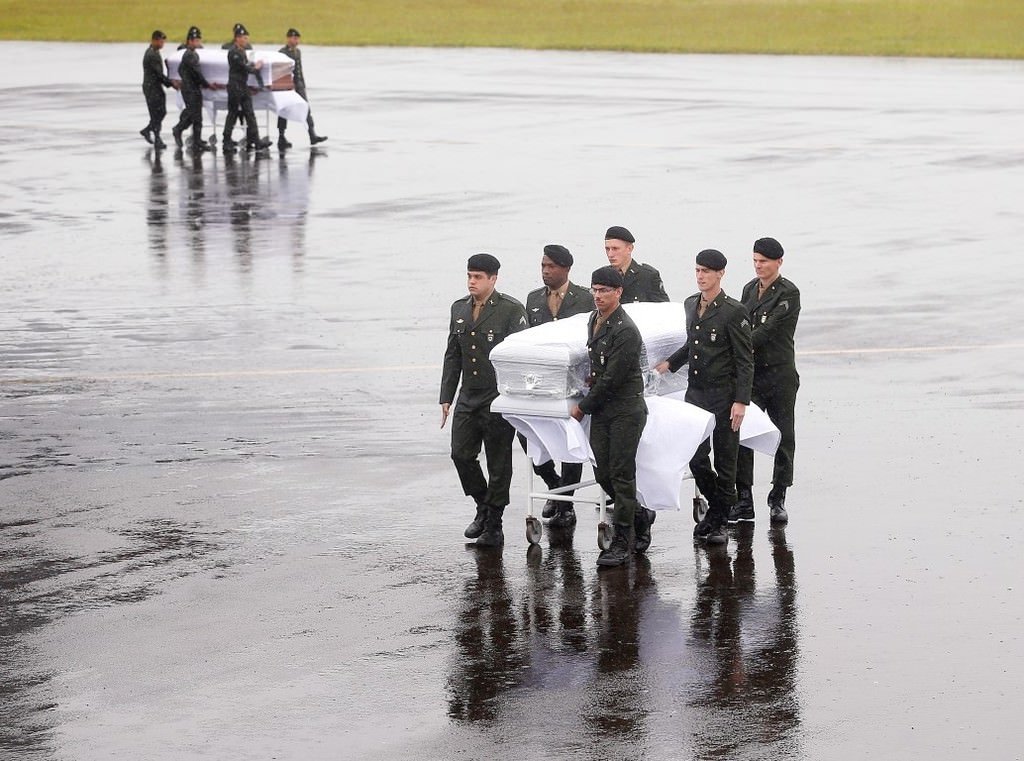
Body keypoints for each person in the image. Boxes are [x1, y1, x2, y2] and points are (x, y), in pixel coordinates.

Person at [656, 249, 753, 546]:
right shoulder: (690, 304)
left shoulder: (733, 312)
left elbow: (745, 360)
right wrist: (670, 364)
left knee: (726, 461)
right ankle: (719, 507)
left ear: (720, 274)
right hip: (696, 394)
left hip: (724, 397)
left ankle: (720, 520)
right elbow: (692, 344)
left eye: (706, 272)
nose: (700, 277)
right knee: (697, 459)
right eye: (697, 271)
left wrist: (741, 401)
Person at [440, 254, 529, 547]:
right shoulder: (459, 309)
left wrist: (518, 398)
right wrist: (446, 398)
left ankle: (495, 522)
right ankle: (483, 505)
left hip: (498, 396)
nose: (471, 283)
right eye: (469, 276)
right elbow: (453, 355)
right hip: (468, 396)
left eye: (478, 277)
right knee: (461, 454)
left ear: (493, 279)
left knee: (498, 461)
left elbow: (520, 358)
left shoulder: (510, 310)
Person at [570, 266, 649, 567]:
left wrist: (582, 407)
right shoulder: (595, 320)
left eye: (604, 291)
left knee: (621, 473)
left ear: (619, 292)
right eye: (595, 290)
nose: (598, 296)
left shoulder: (626, 330)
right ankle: (639, 516)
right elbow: (598, 368)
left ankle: (622, 540)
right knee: (603, 473)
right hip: (604, 408)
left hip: (625, 409)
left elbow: (614, 377)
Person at [730, 237, 801, 524]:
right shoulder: (749, 289)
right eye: (755, 260)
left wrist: (732, 345)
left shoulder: (789, 293)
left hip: (780, 374)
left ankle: (778, 496)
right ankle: (744, 498)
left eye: (765, 261)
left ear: (778, 262)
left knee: (784, 436)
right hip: (753, 375)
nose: (759, 266)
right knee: (743, 435)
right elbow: (742, 323)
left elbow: (766, 331)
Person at [522, 244, 592, 528]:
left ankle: (566, 502)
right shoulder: (534, 299)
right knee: (528, 437)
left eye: (551, 267)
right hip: (542, 382)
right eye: (543, 266)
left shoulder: (585, 298)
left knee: (569, 442)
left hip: (574, 381)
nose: (545, 271)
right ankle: (554, 485)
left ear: (566, 269)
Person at [222, 23, 272, 153]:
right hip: (235, 87)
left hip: (243, 86)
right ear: (237, 38)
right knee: (232, 114)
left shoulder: (241, 51)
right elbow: (246, 68)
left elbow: (246, 65)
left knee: (250, 114)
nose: (246, 41)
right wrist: (256, 67)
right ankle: (226, 140)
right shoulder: (234, 52)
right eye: (244, 38)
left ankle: (256, 140)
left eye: (246, 38)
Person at [277, 29, 328, 150]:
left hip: (298, 84)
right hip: (287, 86)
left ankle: (312, 134)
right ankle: (281, 136)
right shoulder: (282, 53)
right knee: (284, 110)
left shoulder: (297, 52)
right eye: (294, 38)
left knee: (306, 107)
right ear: (288, 38)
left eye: (297, 39)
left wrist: (302, 84)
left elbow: (299, 70)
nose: (296, 41)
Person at [171, 27, 217, 153]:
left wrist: (185, 78)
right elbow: (197, 73)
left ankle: (197, 140)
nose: (198, 43)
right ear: (189, 41)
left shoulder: (190, 54)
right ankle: (178, 129)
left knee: (197, 116)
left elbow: (181, 69)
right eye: (195, 41)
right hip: (191, 89)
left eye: (198, 40)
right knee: (193, 114)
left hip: (191, 88)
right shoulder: (190, 55)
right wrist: (208, 85)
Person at [603, 226, 670, 303]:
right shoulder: (602, 276)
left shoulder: (648, 277)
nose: (610, 254)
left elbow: (664, 309)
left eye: (615, 249)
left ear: (629, 249)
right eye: (607, 249)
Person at [140, 30, 173, 149]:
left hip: (155, 87)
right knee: (156, 113)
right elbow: (159, 74)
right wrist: (172, 83)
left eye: (163, 41)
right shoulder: (151, 55)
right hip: (151, 88)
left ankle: (148, 130)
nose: (163, 43)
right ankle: (157, 138)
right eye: (161, 40)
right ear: (154, 40)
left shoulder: (155, 52)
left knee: (161, 112)